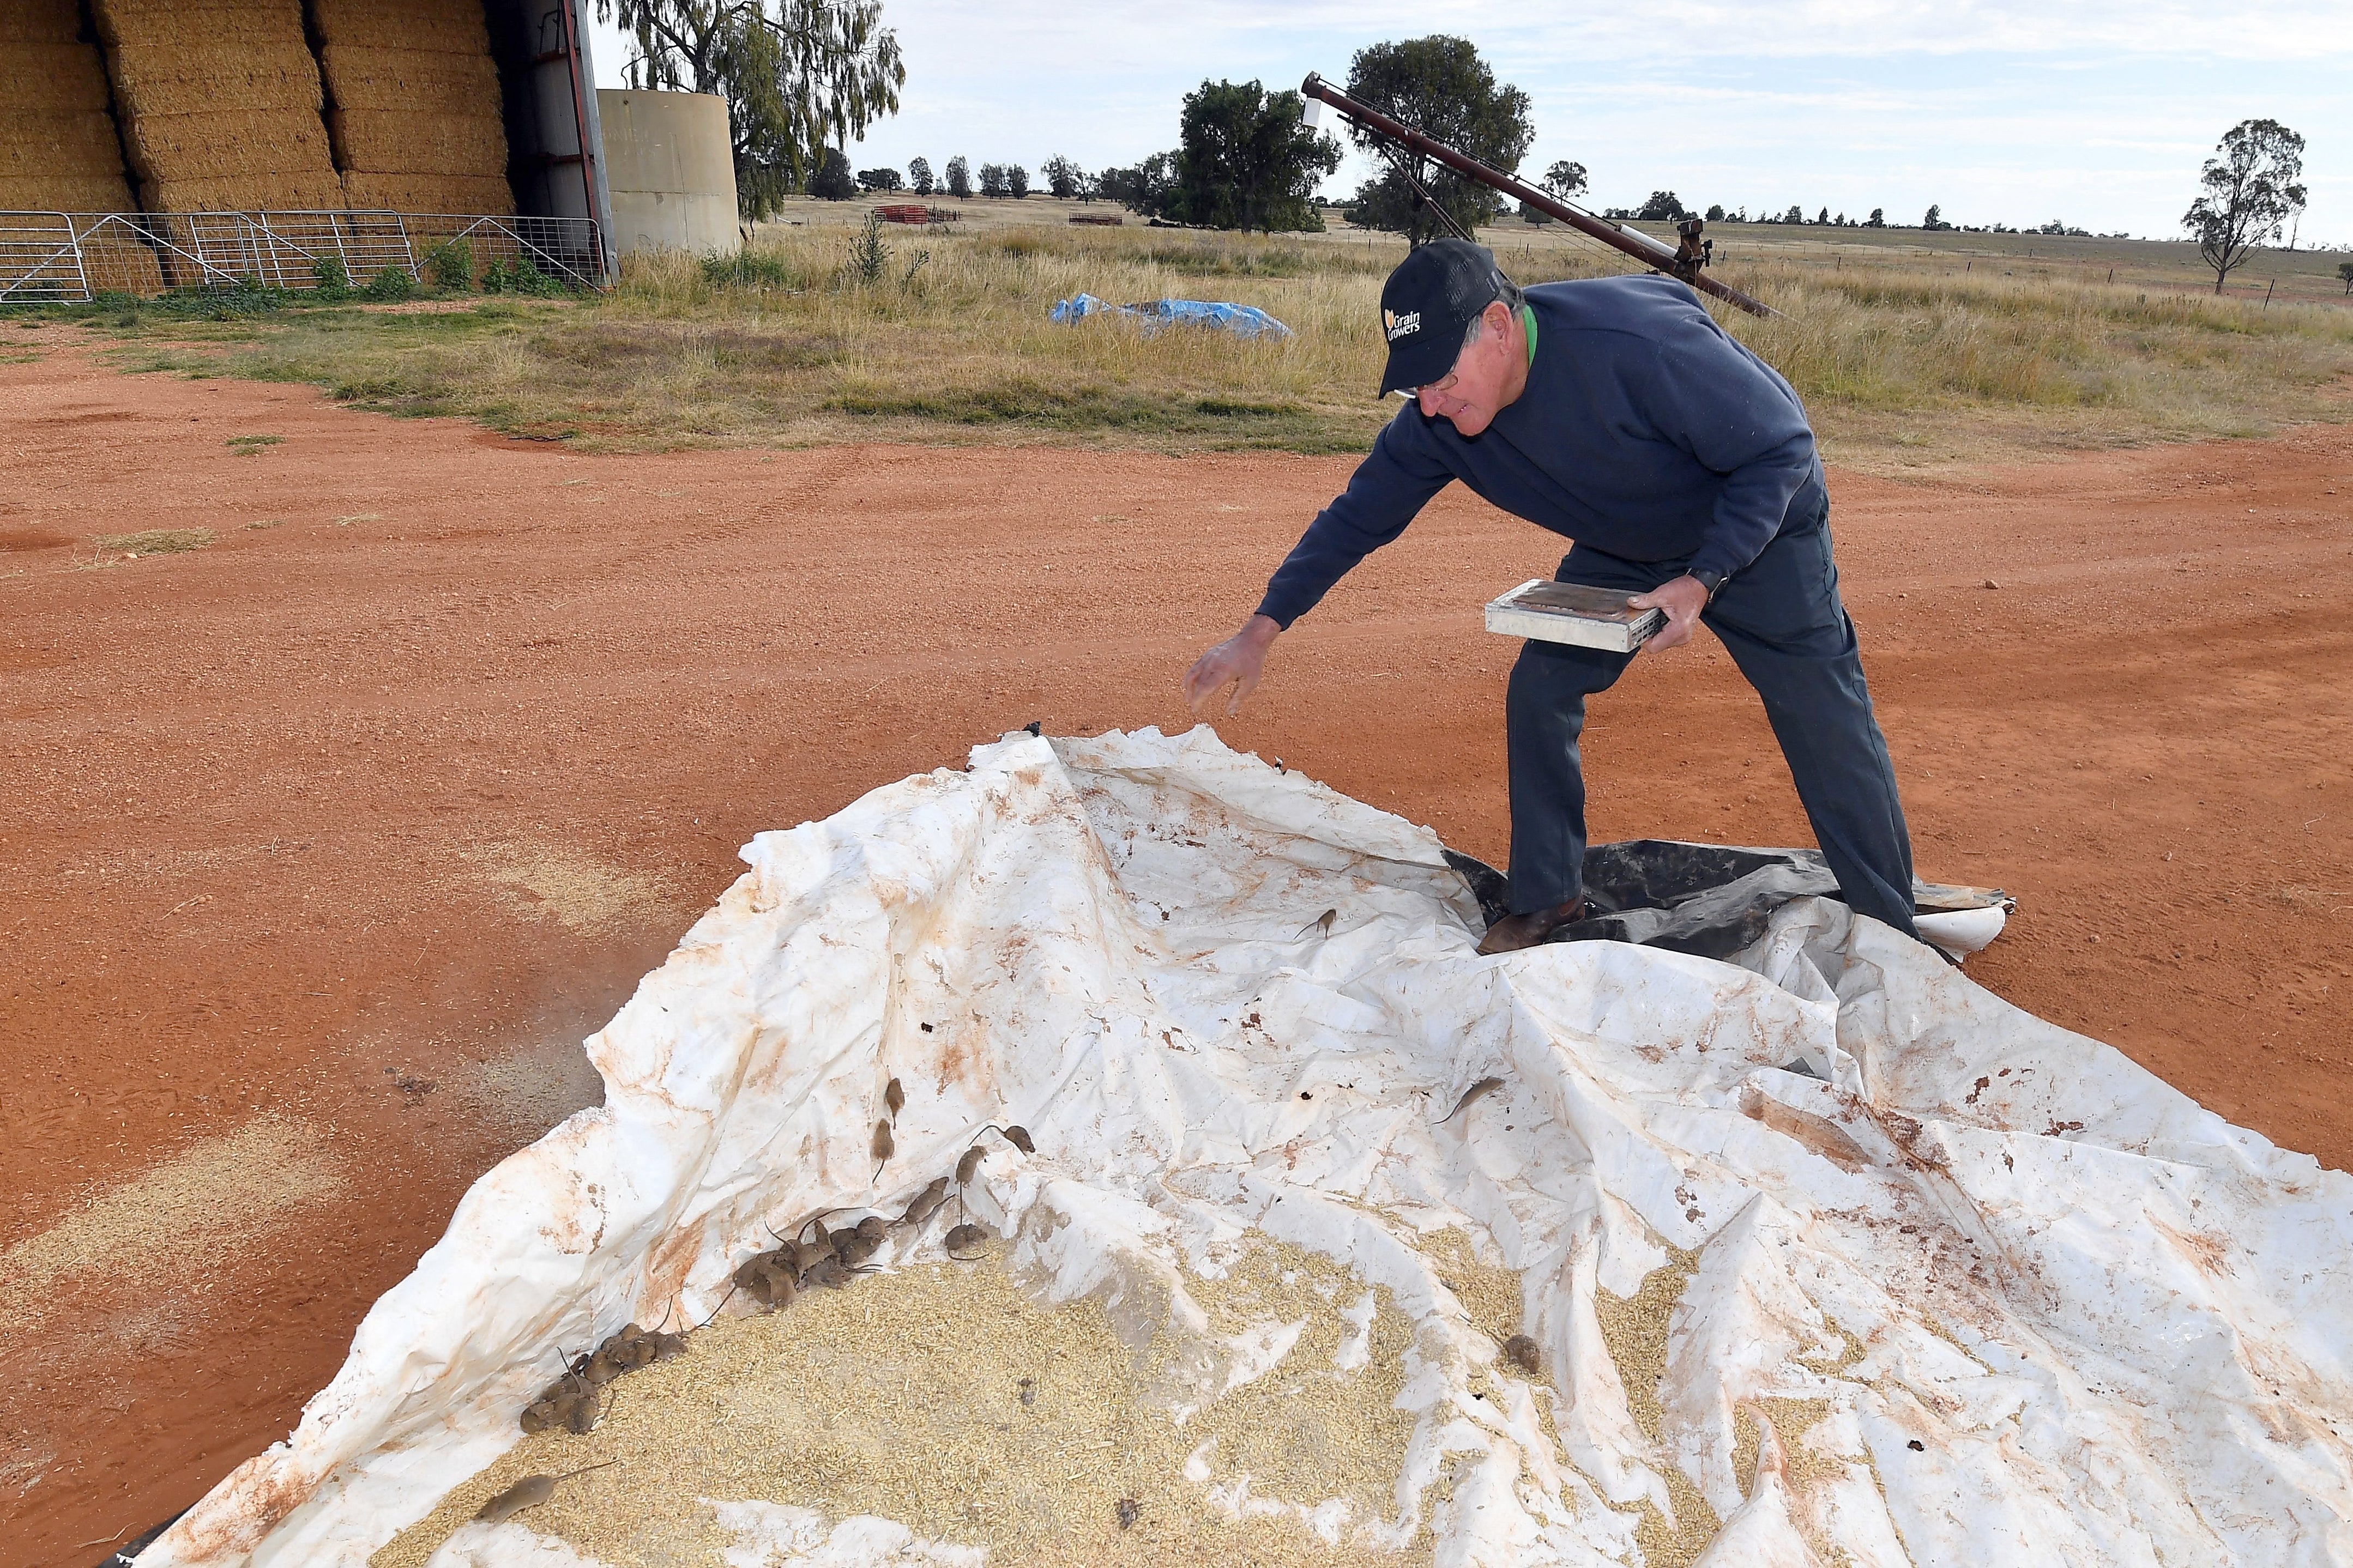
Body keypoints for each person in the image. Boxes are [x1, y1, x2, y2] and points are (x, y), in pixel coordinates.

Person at [1182, 239, 1921, 955]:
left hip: (1758, 529)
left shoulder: (1636, 343)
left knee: (1824, 715)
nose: (1431, 404)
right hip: (1625, 542)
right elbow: (1357, 517)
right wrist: (1261, 629)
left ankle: (1892, 932)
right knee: (1542, 686)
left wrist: (1704, 576)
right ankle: (1550, 898)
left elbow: (1781, 445)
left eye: (1440, 377)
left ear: (1498, 328)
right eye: (1415, 386)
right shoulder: (1439, 427)